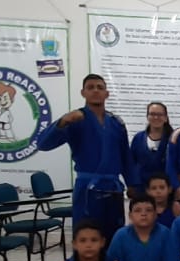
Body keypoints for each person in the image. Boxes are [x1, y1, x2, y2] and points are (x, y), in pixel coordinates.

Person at [35, 73, 130, 234]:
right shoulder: (75, 119)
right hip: (87, 188)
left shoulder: (116, 123)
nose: (95, 91)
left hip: (112, 188)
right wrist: (62, 122)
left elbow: (126, 157)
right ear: (83, 93)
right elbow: (43, 144)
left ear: (107, 93)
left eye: (100, 87)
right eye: (90, 87)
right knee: (86, 235)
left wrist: (133, 185)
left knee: (115, 235)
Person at [129, 101, 173, 191]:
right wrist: (132, 185)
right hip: (142, 188)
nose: (156, 117)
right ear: (147, 117)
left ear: (165, 118)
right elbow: (131, 164)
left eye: (160, 114)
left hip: (165, 190)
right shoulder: (138, 138)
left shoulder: (173, 139)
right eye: (152, 114)